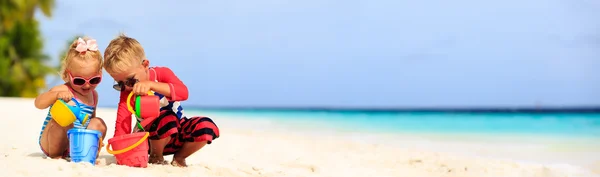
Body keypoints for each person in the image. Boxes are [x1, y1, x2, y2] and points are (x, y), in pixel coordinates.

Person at [103, 33, 220, 167]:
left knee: (206, 126)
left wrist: (152, 85)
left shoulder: (162, 74)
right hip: (148, 139)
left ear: (145, 65)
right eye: (120, 84)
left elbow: (183, 93)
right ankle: (155, 156)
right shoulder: (128, 93)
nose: (127, 87)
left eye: (130, 80)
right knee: (165, 117)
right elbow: (122, 123)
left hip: (176, 133)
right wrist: (120, 150)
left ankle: (179, 157)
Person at [34, 37, 107, 159]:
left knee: (99, 123)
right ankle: (56, 155)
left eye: (94, 80)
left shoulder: (94, 95)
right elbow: (38, 103)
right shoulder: (63, 90)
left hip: (75, 143)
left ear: (100, 74)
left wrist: (95, 137)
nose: (87, 85)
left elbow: (90, 119)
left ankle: (88, 152)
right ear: (69, 75)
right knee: (62, 121)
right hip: (51, 142)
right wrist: (55, 96)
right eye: (79, 81)